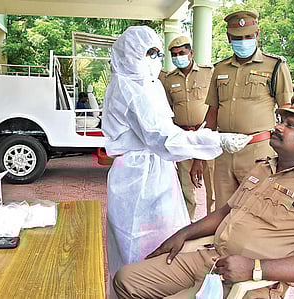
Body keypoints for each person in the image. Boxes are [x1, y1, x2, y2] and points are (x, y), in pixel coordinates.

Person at [113, 94, 294, 299]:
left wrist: (256, 268)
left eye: (290, 125)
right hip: (212, 260)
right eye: (280, 121)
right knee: (126, 279)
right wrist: (182, 234)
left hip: (248, 281)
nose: (278, 127)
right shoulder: (263, 169)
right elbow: (226, 212)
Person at [101, 26, 252, 296]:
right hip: (138, 175)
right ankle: (135, 288)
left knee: (165, 236)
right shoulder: (128, 89)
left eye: (158, 53)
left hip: (156, 170)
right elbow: (162, 139)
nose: (156, 59)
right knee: (134, 242)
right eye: (149, 53)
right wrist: (216, 141)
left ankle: (156, 287)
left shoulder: (147, 84)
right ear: (130, 54)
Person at [191, 10, 294, 210]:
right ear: (229, 38)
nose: (243, 41)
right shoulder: (220, 69)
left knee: (256, 210)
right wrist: (198, 156)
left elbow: (287, 113)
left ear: (257, 35)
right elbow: (211, 115)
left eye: (248, 36)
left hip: (259, 152)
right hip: (224, 152)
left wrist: (287, 157)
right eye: (238, 38)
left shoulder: (274, 66)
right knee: (222, 210)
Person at [160, 35, 216, 219]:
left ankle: (212, 228)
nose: (178, 57)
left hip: (206, 136)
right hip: (182, 136)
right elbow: (167, 109)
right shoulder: (168, 79)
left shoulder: (209, 73)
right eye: (174, 54)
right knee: (186, 187)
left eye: (181, 53)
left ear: (191, 53)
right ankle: (187, 225)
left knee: (213, 188)